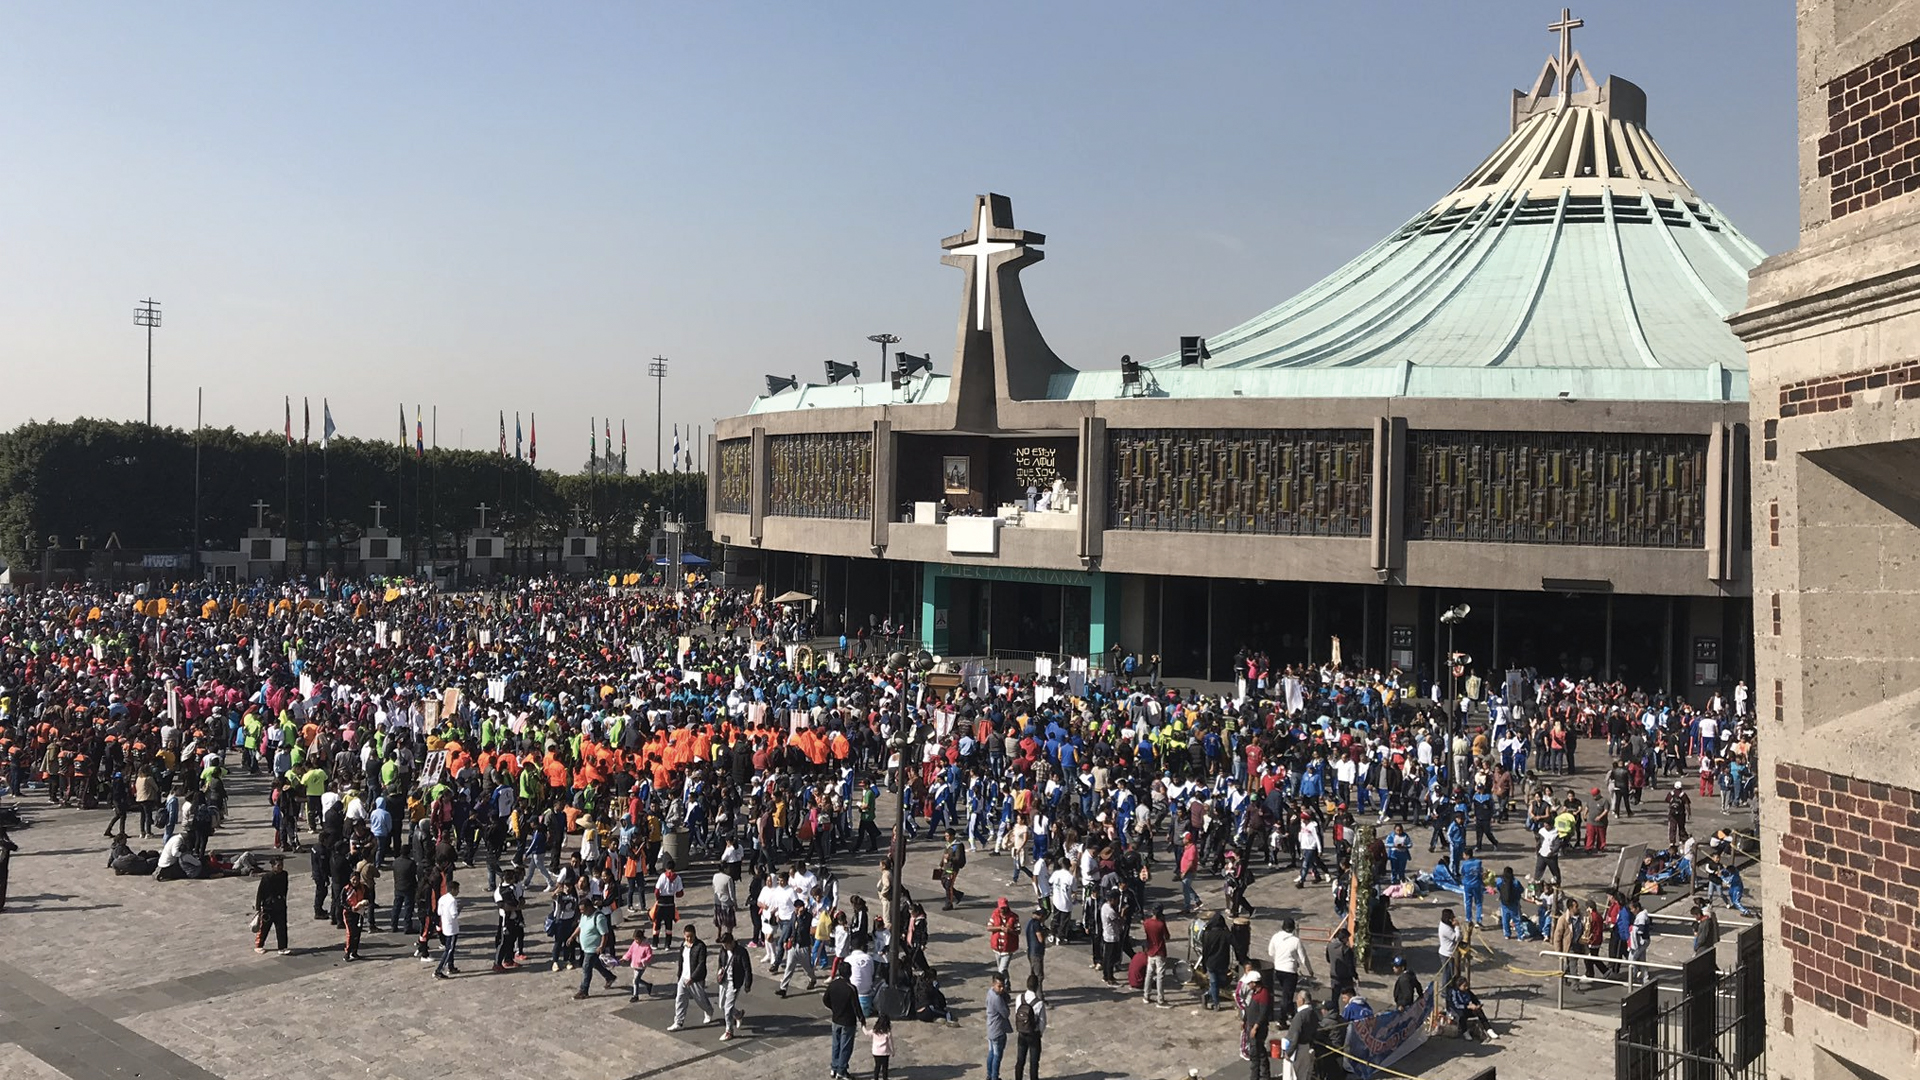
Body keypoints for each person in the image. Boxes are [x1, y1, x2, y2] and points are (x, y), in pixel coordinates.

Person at [669, 923, 715, 1032]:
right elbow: (681, 961)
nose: (689, 939)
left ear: (695, 934)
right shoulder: (683, 945)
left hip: (695, 979)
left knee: (700, 999)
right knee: (680, 999)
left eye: (691, 936)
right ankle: (678, 1022)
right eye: (687, 936)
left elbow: (701, 964)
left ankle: (709, 1010)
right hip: (683, 977)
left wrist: (693, 978)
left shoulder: (700, 946)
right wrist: (679, 975)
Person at [1266, 917, 1313, 1023]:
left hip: (1278, 969)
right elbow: (1303, 958)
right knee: (1286, 996)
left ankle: (1291, 1013)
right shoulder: (1296, 941)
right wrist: (1310, 970)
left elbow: (1270, 952)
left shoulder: (1276, 937)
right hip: (1290, 971)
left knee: (1287, 994)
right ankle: (1282, 1019)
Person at [571, 896, 619, 999]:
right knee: (596, 964)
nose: (581, 912)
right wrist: (572, 936)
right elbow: (580, 926)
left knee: (586, 967)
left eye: (583, 910)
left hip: (593, 948)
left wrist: (601, 946)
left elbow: (604, 934)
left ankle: (584, 990)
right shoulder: (584, 916)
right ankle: (609, 977)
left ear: (589, 907)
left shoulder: (599, 918)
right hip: (586, 947)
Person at [823, 967, 864, 1080]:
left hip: (836, 1019)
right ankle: (841, 1070)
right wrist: (862, 1019)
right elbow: (856, 1006)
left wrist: (834, 1008)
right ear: (850, 973)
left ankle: (834, 1067)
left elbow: (825, 1000)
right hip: (848, 1021)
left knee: (836, 1045)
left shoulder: (833, 985)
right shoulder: (851, 988)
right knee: (845, 1046)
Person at [716, 931, 752, 1040]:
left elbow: (747, 969)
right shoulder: (723, 950)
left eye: (726, 945)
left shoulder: (741, 952)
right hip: (724, 980)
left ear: (731, 942)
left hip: (734, 982)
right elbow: (720, 962)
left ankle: (729, 1031)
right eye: (723, 945)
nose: (725, 947)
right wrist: (719, 972)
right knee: (722, 1005)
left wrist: (747, 984)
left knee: (727, 1008)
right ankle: (738, 1014)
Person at [1012, 972, 1047, 1080]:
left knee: (1020, 1060)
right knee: (1034, 1061)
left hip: (1022, 1032)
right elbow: (1042, 1022)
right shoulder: (1039, 1003)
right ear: (1037, 986)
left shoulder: (1019, 998)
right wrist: (1040, 1033)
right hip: (1033, 1034)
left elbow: (1017, 1013)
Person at [252, 856, 290, 954]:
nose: (281, 867)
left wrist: (283, 900)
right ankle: (259, 945)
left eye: (282, 865)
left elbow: (285, 889)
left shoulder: (284, 875)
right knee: (265, 927)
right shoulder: (267, 877)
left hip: (280, 905)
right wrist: (258, 907)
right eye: (278, 865)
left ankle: (282, 947)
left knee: (281, 927)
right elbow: (260, 893)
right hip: (268, 907)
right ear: (273, 866)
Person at [1280, 991, 1319, 1080]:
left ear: (1302, 1000)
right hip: (1307, 1047)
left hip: (1296, 1050)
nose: (1296, 1001)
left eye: (1297, 998)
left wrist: (1288, 1052)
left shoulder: (1300, 1016)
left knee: (1291, 1075)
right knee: (1302, 1075)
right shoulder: (1313, 1013)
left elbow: (1295, 1036)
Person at [1242, 968, 1273, 1079]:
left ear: (1255, 983)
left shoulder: (1263, 994)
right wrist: (1244, 1020)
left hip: (1258, 1029)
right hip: (1250, 1026)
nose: (1248, 985)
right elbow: (1249, 1007)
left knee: (1258, 1053)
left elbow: (1263, 1013)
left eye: (1249, 983)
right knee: (1256, 1052)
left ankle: (1260, 1076)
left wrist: (1255, 1027)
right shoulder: (1254, 992)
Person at [1446, 975, 1496, 1040]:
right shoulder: (1454, 993)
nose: (1466, 987)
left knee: (1479, 1012)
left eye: (1467, 985)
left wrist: (1478, 1005)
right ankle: (1465, 1031)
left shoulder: (1467, 991)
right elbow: (1455, 1005)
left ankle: (1488, 1029)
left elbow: (1474, 998)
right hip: (1456, 1010)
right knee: (1461, 1015)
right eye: (1464, 986)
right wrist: (1467, 1006)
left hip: (1466, 1008)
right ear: (1459, 986)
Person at [1200, 912, 1233, 1009]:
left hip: (1211, 963)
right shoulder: (1226, 934)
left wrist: (1204, 965)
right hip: (1222, 963)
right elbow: (1235, 943)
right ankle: (1216, 1002)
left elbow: (1205, 951)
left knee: (1215, 983)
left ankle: (1208, 995)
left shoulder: (1207, 934)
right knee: (1217, 982)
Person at [1141, 904, 1171, 1008]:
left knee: (1149, 974)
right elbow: (1167, 936)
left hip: (1150, 951)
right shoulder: (1161, 924)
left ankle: (1146, 995)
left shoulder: (1147, 923)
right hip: (1160, 952)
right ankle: (1160, 1000)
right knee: (1160, 976)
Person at [433, 880, 462, 980]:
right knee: (449, 949)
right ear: (453, 890)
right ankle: (439, 970)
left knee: (450, 948)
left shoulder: (442, 898)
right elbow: (454, 915)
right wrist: (458, 910)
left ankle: (451, 966)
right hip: (452, 928)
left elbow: (439, 912)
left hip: (445, 926)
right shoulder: (452, 901)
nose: (458, 891)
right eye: (457, 889)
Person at [985, 970, 1012, 1080]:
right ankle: (994, 1077)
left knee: (991, 1052)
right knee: (997, 1055)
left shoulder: (990, 992)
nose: (1001, 989)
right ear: (993, 984)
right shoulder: (997, 999)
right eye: (999, 986)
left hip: (990, 1028)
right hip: (998, 1030)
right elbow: (1006, 1013)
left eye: (1002, 986)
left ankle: (989, 1074)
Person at [989, 897, 1020, 976]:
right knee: (1002, 969)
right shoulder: (994, 915)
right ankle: (1006, 982)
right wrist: (999, 928)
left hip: (1008, 949)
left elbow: (1018, 931)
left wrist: (1010, 931)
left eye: (1004, 907)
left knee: (1001, 970)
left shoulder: (1014, 917)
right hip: (997, 948)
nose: (1003, 909)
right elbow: (989, 927)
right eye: (1001, 908)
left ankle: (1003, 982)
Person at [622, 931, 656, 1001]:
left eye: (637, 939)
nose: (636, 941)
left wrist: (643, 960)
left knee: (635, 980)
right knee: (637, 979)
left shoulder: (646, 946)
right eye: (635, 939)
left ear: (641, 938)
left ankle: (635, 995)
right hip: (635, 964)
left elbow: (649, 956)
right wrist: (624, 958)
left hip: (641, 966)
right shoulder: (634, 944)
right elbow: (630, 951)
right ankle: (648, 985)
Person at [869, 1013, 894, 1080]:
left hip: (876, 1052)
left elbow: (866, 1033)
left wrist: (863, 1026)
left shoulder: (874, 1031)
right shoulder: (887, 1032)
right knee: (885, 1068)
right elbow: (890, 1043)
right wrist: (892, 1051)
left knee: (877, 1067)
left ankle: (876, 1078)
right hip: (885, 1052)